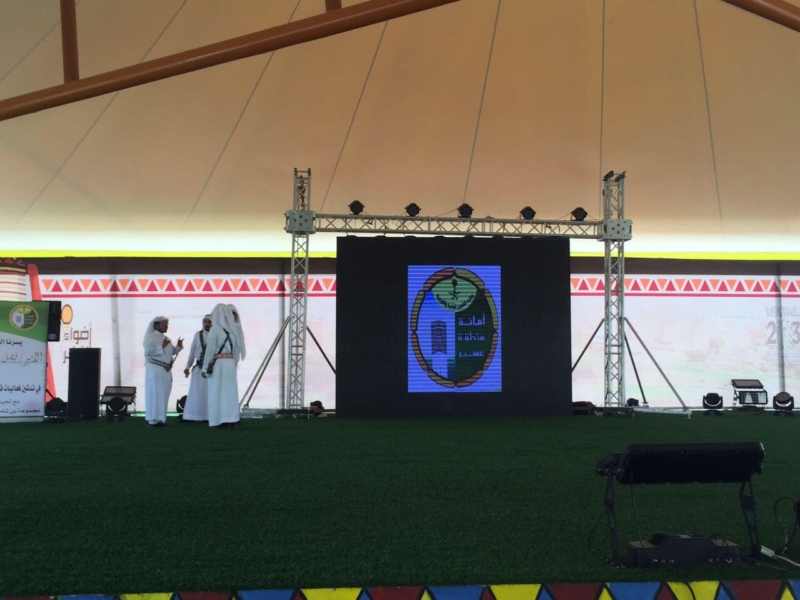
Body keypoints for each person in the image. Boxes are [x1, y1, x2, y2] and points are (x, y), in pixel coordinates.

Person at [202, 304, 245, 428]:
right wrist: (233, 363)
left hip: (218, 363)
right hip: (230, 363)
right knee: (230, 392)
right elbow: (237, 350)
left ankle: (218, 420)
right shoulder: (233, 329)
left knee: (216, 391)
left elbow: (210, 351)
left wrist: (205, 368)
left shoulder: (215, 329)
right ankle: (232, 419)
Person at [143, 316, 183, 427]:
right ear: (156, 325)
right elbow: (147, 352)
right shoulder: (149, 337)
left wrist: (178, 347)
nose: (166, 326)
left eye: (167, 324)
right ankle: (152, 419)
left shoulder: (167, 338)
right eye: (163, 324)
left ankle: (161, 419)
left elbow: (171, 352)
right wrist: (161, 346)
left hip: (166, 370)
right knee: (155, 394)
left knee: (164, 394)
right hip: (155, 370)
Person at [181, 314, 212, 422]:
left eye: (209, 322)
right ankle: (191, 416)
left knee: (209, 394)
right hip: (198, 369)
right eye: (205, 322)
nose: (207, 324)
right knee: (195, 394)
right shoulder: (197, 335)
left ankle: (208, 417)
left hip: (211, 370)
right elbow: (192, 352)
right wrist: (187, 367)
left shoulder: (217, 335)